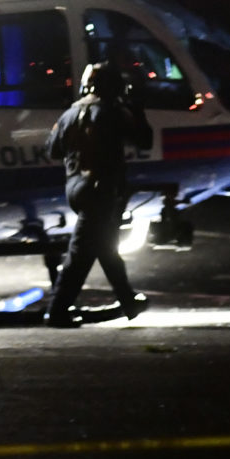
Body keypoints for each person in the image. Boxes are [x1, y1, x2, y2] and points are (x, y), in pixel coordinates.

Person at [42, 61, 152, 326]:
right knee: (81, 253)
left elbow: (52, 150)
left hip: (76, 188)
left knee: (104, 247)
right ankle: (57, 311)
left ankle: (127, 301)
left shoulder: (70, 113)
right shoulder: (112, 111)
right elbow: (144, 141)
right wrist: (136, 111)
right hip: (100, 190)